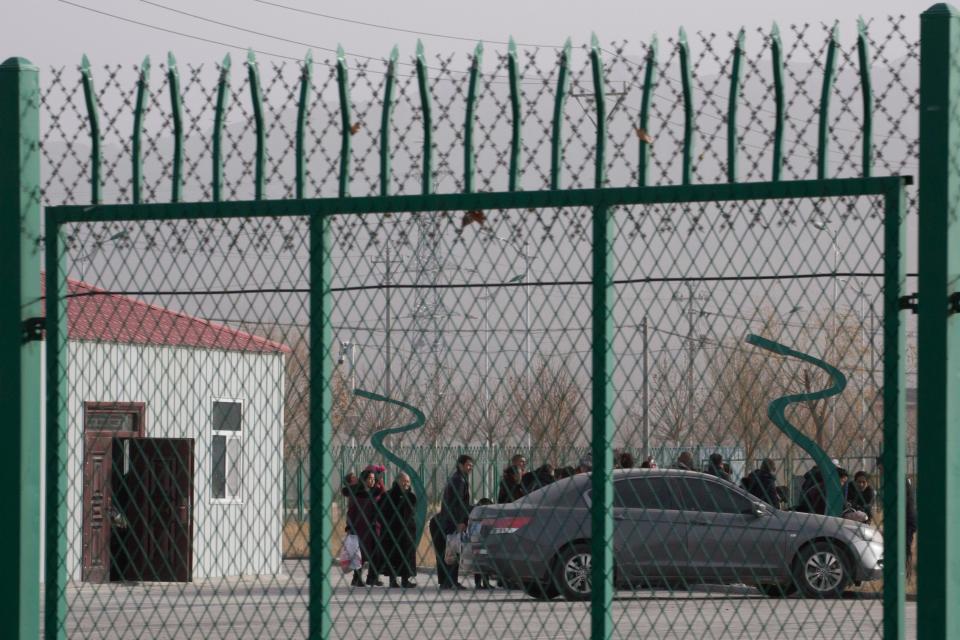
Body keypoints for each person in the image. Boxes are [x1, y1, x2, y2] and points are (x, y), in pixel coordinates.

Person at [431, 454, 474, 589]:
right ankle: (450, 581)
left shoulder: (459, 478)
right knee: (452, 549)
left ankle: (446, 581)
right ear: (460, 465)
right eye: (468, 465)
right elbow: (458, 503)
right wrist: (460, 521)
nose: (470, 468)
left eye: (471, 465)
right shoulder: (459, 480)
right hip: (451, 521)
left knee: (447, 550)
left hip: (445, 519)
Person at [341, 469, 386, 587]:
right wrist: (349, 526)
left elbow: (383, 491)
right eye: (369, 479)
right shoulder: (357, 494)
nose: (372, 481)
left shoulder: (376, 492)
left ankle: (372, 577)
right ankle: (357, 578)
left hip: (375, 527)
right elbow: (352, 511)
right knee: (360, 554)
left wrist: (379, 477)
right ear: (364, 480)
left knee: (376, 553)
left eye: (373, 479)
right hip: (360, 528)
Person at [379, 472, 418, 588]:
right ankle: (392, 580)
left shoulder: (411, 497)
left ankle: (406, 580)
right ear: (397, 481)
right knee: (393, 555)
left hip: (407, 532)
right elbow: (382, 513)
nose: (406, 483)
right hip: (392, 532)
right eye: (404, 481)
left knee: (407, 555)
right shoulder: (388, 496)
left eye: (408, 481)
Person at [472, 498, 494, 589]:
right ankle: (483, 583)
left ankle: (481, 583)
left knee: (480, 562)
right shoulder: (483, 517)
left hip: (477, 540)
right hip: (480, 541)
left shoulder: (476, 515)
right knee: (482, 561)